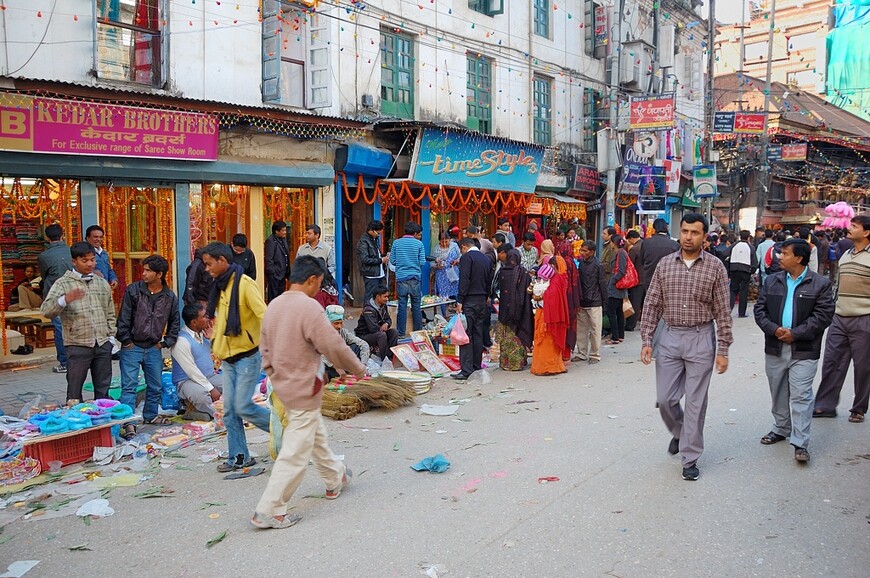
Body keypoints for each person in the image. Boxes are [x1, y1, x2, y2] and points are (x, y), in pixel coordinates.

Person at [252, 255, 366, 530]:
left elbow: (264, 347)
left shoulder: (274, 305)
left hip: (283, 385)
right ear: (313, 279)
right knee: (296, 450)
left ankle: (334, 477)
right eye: (319, 283)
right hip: (304, 387)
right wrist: (357, 368)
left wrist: (273, 373)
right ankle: (270, 509)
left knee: (314, 435)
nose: (319, 289)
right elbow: (333, 346)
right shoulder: (310, 308)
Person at [640, 213, 733, 482]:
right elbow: (652, 303)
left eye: (694, 232)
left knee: (695, 401)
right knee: (666, 399)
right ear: (678, 233)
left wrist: (723, 349)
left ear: (705, 236)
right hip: (669, 336)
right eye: (684, 231)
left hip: (701, 337)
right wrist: (647, 340)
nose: (688, 237)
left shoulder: (715, 267)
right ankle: (680, 432)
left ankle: (690, 457)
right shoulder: (665, 265)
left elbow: (723, 311)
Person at [754, 238, 834, 463]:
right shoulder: (772, 281)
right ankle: (781, 428)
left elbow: (823, 316)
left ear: (799, 258)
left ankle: (800, 442)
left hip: (804, 349)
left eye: (785, 253)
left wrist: (795, 333)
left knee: (801, 394)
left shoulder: (820, 284)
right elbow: (760, 310)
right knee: (778, 390)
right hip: (775, 345)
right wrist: (774, 329)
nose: (780, 257)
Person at [201, 242, 271, 473]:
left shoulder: (245, 284)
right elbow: (223, 320)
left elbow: (265, 316)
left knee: (242, 406)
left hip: (248, 357)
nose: (207, 269)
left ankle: (288, 432)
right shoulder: (220, 286)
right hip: (227, 358)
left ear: (222, 261)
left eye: (209, 264)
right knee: (230, 411)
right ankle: (239, 457)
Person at [40, 242, 115, 404]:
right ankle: (78, 423)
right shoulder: (63, 283)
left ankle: (103, 423)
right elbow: (46, 310)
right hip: (77, 344)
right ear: (74, 261)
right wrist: (64, 299)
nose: (90, 264)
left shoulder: (101, 282)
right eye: (85, 260)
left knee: (103, 390)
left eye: (92, 260)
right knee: (74, 393)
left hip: (102, 343)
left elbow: (109, 311)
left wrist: (111, 337)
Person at [812, 214, 870, 423]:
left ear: (866, 232)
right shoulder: (846, 254)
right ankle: (825, 405)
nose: (849, 228)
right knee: (831, 361)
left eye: (854, 226)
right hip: (840, 316)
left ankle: (859, 408)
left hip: (864, 317)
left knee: (863, 366)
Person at [117, 254, 180, 435]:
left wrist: (165, 342)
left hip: (153, 346)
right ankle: (127, 422)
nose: (143, 273)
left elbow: (174, 323)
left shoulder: (169, 297)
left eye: (147, 270)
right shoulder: (133, 290)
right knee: (129, 386)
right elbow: (124, 317)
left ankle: (151, 415)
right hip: (132, 346)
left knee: (156, 384)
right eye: (143, 269)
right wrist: (126, 340)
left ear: (159, 274)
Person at [172, 302, 222, 422]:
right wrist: (211, 389)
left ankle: (207, 413)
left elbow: (221, 355)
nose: (208, 319)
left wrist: (213, 338)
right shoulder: (181, 341)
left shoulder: (204, 334)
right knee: (203, 396)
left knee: (233, 385)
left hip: (209, 376)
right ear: (194, 322)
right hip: (187, 381)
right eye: (204, 316)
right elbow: (192, 371)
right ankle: (219, 415)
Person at [452, 237, 494, 380]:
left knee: (466, 336)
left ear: (464, 247)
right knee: (478, 334)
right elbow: (490, 281)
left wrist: (460, 300)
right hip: (482, 300)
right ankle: (476, 366)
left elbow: (464, 280)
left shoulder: (467, 258)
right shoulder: (485, 259)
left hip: (469, 300)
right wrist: (487, 296)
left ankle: (466, 369)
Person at [38, 223, 72, 373]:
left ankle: (64, 362)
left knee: (59, 329)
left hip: (55, 295)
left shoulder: (44, 256)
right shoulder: (72, 250)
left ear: (47, 237)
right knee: (73, 326)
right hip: (73, 293)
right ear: (62, 234)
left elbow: (44, 276)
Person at [494, 245, 533, 371]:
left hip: (505, 311)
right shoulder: (524, 273)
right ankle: (518, 362)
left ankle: (506, 363)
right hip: (521, 311)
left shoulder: (503, 272)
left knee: (507, 339)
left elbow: (499, 289)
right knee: (518, 337)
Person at [530, 257, 569, 376]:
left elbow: (551, 296)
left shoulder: (556, 279)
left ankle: (546, 367)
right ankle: (550, 365)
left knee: (546, 340)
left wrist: (538, 297)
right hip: (551, 314)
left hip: (547, 315)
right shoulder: (559, 278)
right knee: (548, 341)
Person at [390, 221, 426, 336]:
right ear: (415, 233)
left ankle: (401, 333)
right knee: (416, 306)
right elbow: (422, 261)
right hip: (415, 278)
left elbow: (392, 261)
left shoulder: (396, 243)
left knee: (402, 305)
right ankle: (418, 333)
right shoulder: (419, 244)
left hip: (401, 278)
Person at [577, 243, 607, 364]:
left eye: (585, 251)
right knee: (581, 329)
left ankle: (595, 354)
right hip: (583, 300)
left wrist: (604, 302)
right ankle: (581, 353)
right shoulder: (582, 264)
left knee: (595, 329)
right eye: (581, 250)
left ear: (592, 251)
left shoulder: (598, 265)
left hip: (595, 301)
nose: (582, 253)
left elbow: (602, 284)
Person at [323, 305, 370, 380]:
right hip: (330, 367)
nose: (339, 326)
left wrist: (363, 365)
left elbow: (364, 345)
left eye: (341, 323)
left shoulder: (342, 332)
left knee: (356, 347)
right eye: (336, 323)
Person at [355, 287, 398, 362]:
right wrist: (382, 327)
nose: (387, 299)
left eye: (387, 296)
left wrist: (387, 324)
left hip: (378, 332)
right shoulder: (368, 309)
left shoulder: (383, 306)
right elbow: (373, 328)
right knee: (381, 335)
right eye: (385, 296)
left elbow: (388, 319)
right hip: (364, 335)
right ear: (378, 297)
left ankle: (390, 357)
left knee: (394, 332)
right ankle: (384, 359)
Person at [556, 239, 582, 360]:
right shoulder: (572, 262)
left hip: (564, 298)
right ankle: (567, 353)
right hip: (572, 300)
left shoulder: (562, 263)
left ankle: (563, 353)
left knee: (563, 325)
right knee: (570, 325)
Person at [638, 218, 679, 294]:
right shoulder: (674, 244)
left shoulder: (646, 243)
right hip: (669, 279)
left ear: (654, 228)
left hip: (649, 278)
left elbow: (642, 261)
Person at [357, 220, 389, 303]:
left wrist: (384, 256)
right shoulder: (363, 241)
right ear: (371, 230)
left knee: (380, 297)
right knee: (370, 297)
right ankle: (368, 314)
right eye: (377, 233)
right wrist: (381, 260)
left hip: (379, 273)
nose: (378, 235)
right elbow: (365, 259)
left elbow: (376, 255)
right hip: (371, 275)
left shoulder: (374, 239)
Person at [605, 235, 629, 345]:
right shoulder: (621, 253)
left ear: (614, 243)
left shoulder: (621, 253)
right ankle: (620, 335)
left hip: (617, 287)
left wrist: (613, 281)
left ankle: (615, 336)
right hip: (618, 287)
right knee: (619, 311)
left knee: (611, 311)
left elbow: (621, 271)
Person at [729, 230, 758, 318]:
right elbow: (754, 262)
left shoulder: (734, 245)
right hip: (745, 270)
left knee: (733, 290)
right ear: (748, 237)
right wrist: (752, 271)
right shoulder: (750, 247)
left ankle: (728, 311)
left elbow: (725, 253)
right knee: (743, 291)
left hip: (734, 268)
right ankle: (742, 313)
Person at [433, 232, 460, 316]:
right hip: (441, 275)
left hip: (453, 273)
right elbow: (432, 263)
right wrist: (437, 266)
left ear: (449, 240)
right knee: (443, 295)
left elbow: (460, 256)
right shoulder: (436, 249)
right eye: (442, 242)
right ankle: (445, 314)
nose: (444, 243)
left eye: (446, 241)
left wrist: (456, 261)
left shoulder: (454, 246)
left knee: (456, 292)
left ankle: (458, 311)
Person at [85, 225, 118, 292]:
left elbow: (109, 269)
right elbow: (76, 270)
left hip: (104, 288)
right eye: (95, 237)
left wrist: (113, 279)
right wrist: (93, 272)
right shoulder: (83, 253)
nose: (99, 239)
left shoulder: (104, 253)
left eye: (101, 237)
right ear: (88, 238)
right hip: (90, 289)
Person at [264, 220, 290, 302]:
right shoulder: (270, 241)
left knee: (281, 297)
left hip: (283, 273)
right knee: (273, 298)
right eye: (283, 230)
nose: (285, 232)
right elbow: (269, 258)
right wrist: (273, 272)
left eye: (285, 230)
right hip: (275, 274)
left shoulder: (283, 239)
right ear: (276, 231)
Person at [625, 230, 644, 332]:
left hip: (637, 280)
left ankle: (630, 325)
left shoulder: (634, 249)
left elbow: (630, 265)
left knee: (635, 303)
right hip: (646, 278)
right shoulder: (645, 246)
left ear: (631, 238)